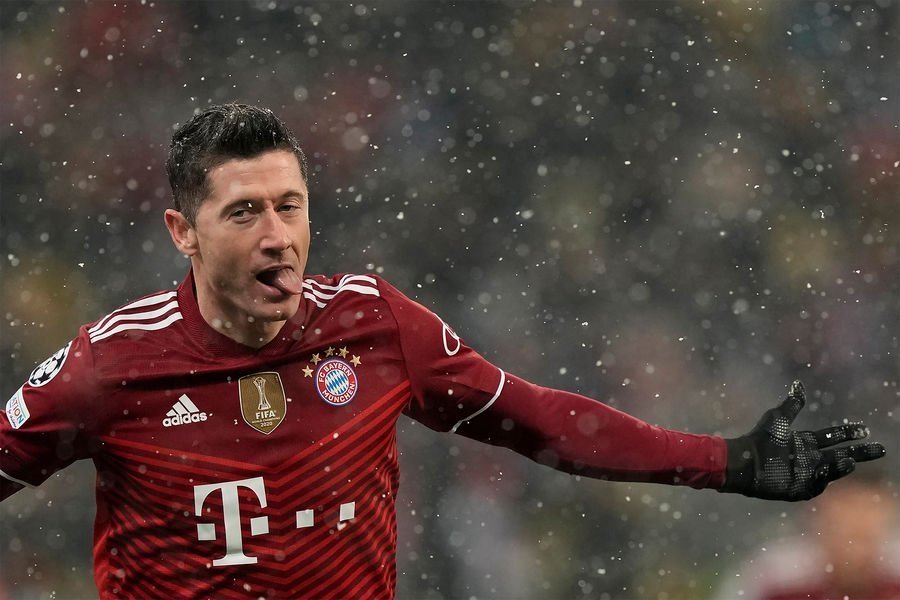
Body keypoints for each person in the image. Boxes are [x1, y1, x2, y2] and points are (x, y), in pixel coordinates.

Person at [0, 104, 886, 599]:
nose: (277, 235)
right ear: (181, 232)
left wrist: (724, 461)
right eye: (244, 213)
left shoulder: (374, 326)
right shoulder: (109, 367)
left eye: (290, 206)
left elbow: (542, 422)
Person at [715, 471, 900, 600]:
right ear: (818, 515)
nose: (856, 523)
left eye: (868, 511)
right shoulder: (775, 577)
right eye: (847, 510)